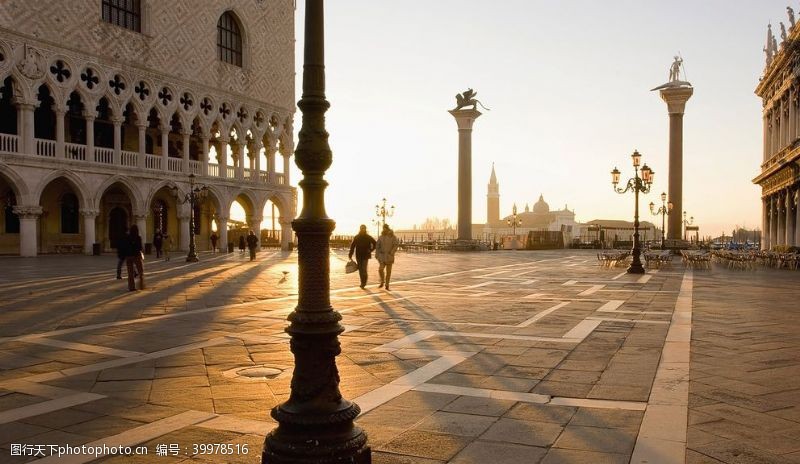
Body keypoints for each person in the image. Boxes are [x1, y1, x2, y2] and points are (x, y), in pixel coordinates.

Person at [348, 224, 376, 289]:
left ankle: (364, 282)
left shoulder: (368, 237)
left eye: (364, 228)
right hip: (358, 255)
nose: (363, 229)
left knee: (364, 269)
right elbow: (353, 246)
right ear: (360, 229)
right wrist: (350, 254)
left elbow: (375, 243)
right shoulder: (357, 237)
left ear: (365, 229)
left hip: (366, 255)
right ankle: (362, 282)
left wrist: (371, 250)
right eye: (362, 228)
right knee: (360, 270)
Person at [375, 224, 400, 291]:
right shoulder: (381, 237)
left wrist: (392, 252)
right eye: (383, 228)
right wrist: (377, 254)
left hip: (389, 256)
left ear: (387, 228)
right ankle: (382, 281)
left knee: (388, 272)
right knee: (380, 269)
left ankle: (387, 284)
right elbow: (377, 246)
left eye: (385, 228)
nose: (384, 229)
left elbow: (396, 245)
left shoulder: (392, 237)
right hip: (382, 256)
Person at [125, 224, 145, 291]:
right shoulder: (138, 237)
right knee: (140, 271)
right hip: (137, 256)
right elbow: (140, 247)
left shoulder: (127, 237)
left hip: (128, 256)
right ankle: (141, 285)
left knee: (130, 273)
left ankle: (131, 287)